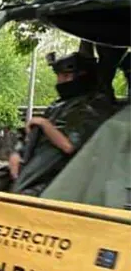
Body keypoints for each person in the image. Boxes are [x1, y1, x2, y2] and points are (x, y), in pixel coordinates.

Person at [8, 50, 115, 196]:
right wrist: (17, 153)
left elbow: (68, 145)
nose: (60, 81)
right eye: (58, 76)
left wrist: (44, 124)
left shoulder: (95, 105)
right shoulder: (59, 104)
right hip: (35, 170)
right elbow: (27, 134)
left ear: (82, 77)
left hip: (64, 178)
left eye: (65, 76)